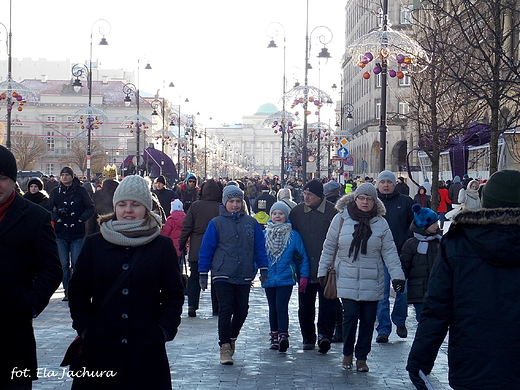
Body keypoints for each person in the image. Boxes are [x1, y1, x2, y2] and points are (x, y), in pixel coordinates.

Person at [67, 174, 184, 390]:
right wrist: (86, 329)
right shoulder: (95, 243)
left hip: (146, 351)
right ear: (115, 207)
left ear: (146, 208)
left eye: (135, 204)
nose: (128, 210)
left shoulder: (161, 246)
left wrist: (163, 330)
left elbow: (173, 294)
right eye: (122, 204)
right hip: (100, 348)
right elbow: (78, 291)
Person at [407, 170, 520, 390]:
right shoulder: (457, 242)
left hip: (471, 360)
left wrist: (420, 360)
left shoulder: (458, 241)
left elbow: (437, 307)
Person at [318, 183, 405, 373]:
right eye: (362, 198)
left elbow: (390, 252)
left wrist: (398, 276)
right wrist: (322, 271)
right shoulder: (340, 219)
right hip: (346, 276)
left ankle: (362, 358)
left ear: (375, 202)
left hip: (372, 278)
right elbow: (329, 247)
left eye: (369, 199)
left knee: (367, 320)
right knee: (350, 316)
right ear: (355, 199)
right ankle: (347, 353)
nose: (365, 202)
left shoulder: (380, 223)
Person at [0, 145, 62, 390]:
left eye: (2, 178)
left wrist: (29, 305)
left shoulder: (34, 216)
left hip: (13, 334)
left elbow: (52, 269)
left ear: (12, 180)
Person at [198, 185, 269, 365]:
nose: (235, 205)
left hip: (244, 272)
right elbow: (207, 248)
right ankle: (224, 347)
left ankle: (232, 337)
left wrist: (263, 268)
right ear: (225, 203)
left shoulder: (251, 223)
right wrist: (203, 272)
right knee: (226, 309)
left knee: (242, 310)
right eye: (231, 201)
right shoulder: (216, 223)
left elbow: (259, 247)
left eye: (238, 201)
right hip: (222, 272)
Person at [289, 179, 337, 353]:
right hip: (305, 268)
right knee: (305, 305)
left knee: (328, 305)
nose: (306, 197)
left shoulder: (333, 211)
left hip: (327, 269)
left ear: (319, 196)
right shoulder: (296, 212)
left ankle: (325, 336)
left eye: (310, 194)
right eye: (304, 194)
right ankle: (308, 338)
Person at [262, 201, 309, 353]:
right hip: (269, 277)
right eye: (274, 213)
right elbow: (258, 256)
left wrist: (304, 276)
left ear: (286, 216)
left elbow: (302, 257)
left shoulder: (293, 236)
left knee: (281, 306)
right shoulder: (265, 234)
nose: (277, 216)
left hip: (286, 277)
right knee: (272, 307)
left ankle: (283, 334)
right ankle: (274, 335)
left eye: (280, 214)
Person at [375, 170, 414, 343]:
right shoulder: (372, 204)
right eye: (382, 182)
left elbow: (413, 224)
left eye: (388, 182)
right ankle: (383, 329)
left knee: (402, 292)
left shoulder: (405, 202)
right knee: (381, 295)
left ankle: (399, 320)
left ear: (394, 184)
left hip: (400, 255)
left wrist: (406, 240)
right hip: (379, 256)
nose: (385, 185)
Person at [47, 166, 94, 301]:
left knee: (76, 263)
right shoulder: (56, 192)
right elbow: (48, 208)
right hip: (61, 232)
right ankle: (67, 290)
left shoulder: (81, 191)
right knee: (63, 264)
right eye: (62, 175)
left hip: (76, 232)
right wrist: (56, 217)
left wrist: (81, 219)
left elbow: (90, 208)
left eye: (67, 175)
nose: (64, 177)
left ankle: (75, 289)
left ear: (72, 177)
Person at [179, 179, 223, 318]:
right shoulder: (221, 207)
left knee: (195, 276)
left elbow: (187, 226)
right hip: (217, 246)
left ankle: (192, 305)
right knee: (217, 276)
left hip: (198, 245)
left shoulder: (196, 206)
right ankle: (216, 307)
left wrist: (182, 243)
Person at [400, 205, 442, 323]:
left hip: (436, 289)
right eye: (434, 223)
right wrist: (401, 280)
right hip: (418, 290)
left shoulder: (440, 241)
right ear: (424, 225)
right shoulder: (411, 244)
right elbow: (405, 265)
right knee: (422, 319)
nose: (437, 225)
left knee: (435, 320)